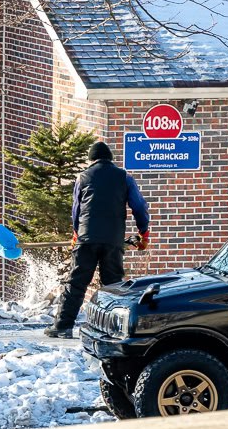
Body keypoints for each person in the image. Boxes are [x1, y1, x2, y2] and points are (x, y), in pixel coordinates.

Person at [46, 141, 150, 338]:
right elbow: (139, 207)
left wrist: (76, 233)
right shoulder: (124, 177)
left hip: (86, 239)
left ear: (91, 160)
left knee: (76, 283)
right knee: (113, 286)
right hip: (113, 240)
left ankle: (62, 327)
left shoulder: (82, 177)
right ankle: (115, 330)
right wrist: (143, 232)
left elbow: (76, 211)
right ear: (110, 159)